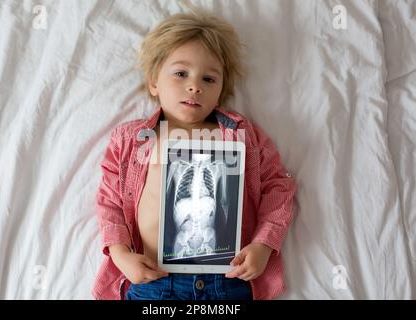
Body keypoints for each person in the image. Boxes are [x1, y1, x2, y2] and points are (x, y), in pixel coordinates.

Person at [92, 11, 297, 300]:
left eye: (209, 79)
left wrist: (264, 245)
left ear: (221, 90)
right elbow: (110, 202)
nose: (195, 85)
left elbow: (279, 187)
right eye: (180, 73)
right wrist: (121, 255)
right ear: (154, 83)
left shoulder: (241, 135)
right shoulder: (132, 139)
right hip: (153, 279)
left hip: (226, 281)